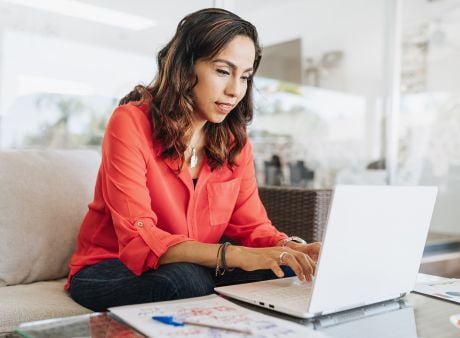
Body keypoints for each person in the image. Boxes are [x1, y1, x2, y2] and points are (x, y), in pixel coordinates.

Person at [66, 8, 322, 312]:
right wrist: (237, 257)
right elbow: (139, 238)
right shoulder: (130, 122)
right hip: (109, 268)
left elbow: (253, 227)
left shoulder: (234, 143)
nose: (235, 90)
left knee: (290, 269)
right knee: (188, 281)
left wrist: (292, 249)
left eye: (245, 77)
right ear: (186, 67)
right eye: (223, 71)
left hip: (196, 266)